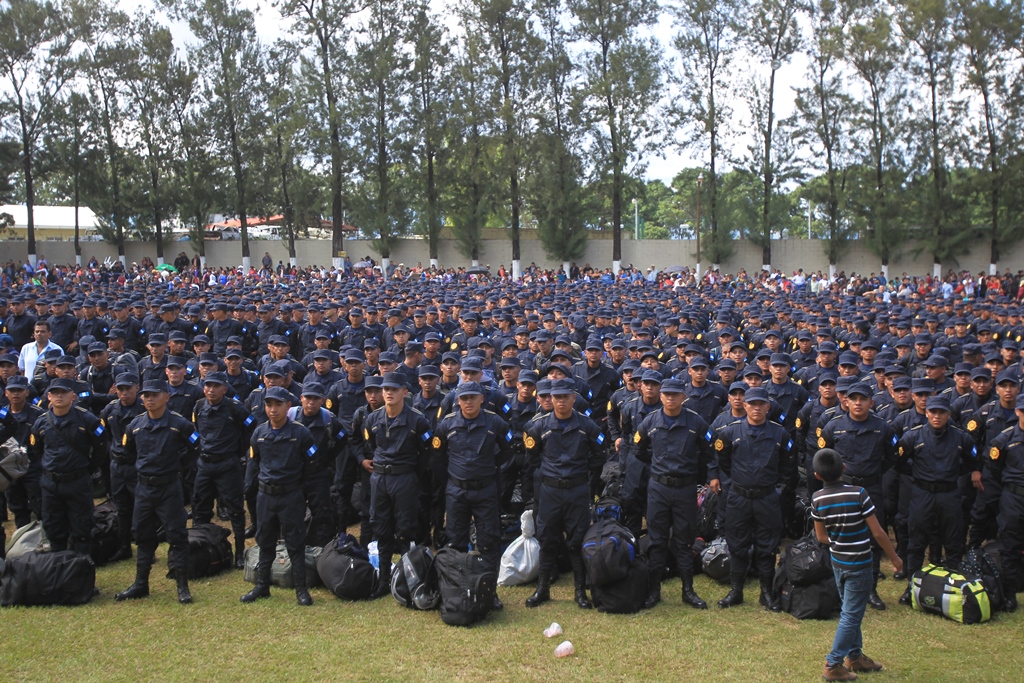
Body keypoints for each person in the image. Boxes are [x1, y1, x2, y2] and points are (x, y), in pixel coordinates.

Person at [811, 447, 903, 682]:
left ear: (817, 475)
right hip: (860, 563)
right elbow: (878, 532)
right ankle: (833, 664)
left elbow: (821, 536)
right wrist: (894, 557)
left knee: (849, 609)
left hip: (838, 562)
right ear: (844, 468)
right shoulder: (859, 493)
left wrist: (839, 541)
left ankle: (855, 656)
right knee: (851, 615)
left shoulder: (817, 498)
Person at [524, 378, 607, 609]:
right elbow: (532, 458)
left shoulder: (587, 425)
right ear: (551, 399)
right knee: (547, 539)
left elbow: (599, 455)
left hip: (577, 491)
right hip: (550, 491)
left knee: (576, 540)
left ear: (573, 398)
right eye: (557, 397)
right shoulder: (539, 426)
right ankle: (542, 589)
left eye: (565, 397)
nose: (561, 401)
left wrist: (582, 477)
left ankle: (580, 592)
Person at [710, 386, 794, 611]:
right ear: (745, 405)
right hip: (739, 497)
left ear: (768, 407)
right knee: (737, 544)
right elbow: (723, 461)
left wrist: (776, 489)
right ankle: (736, 591)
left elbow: (788, 466)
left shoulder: (780, 434)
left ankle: (766, 593)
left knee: (767, 546)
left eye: (761, 404)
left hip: (767, 498)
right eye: (752, 404)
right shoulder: (730, 432)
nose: (756, 408)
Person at [633, 377, 715, 609]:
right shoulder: (650, 421)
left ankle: (688, 590)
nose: (670, 398)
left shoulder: (696, 422)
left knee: (684, 540)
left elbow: (708, 452)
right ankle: (654, 590)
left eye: (675, 394)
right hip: (659, 488)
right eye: (667, 394)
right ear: (661, 397)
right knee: (657, 540)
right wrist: (658, 466)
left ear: (683, 397)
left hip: (685, 488)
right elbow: (639, 449)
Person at [432, 381, 513, 609]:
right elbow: (437, 456)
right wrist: (452, 476)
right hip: (456, 491)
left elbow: (508, 451)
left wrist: (489, 467)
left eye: (472, 397)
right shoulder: (447, 424)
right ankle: (456, 591)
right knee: (456, 542)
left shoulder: (495, 422)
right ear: (458, 401)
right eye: (464, 398)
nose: (468, 402)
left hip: (485, 490)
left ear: (482, 399)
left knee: (489, 542)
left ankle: (489, 592)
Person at [241, 386, 319, 606]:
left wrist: (299, 488)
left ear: (288, 406)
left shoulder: (301, 433)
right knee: (265, 540)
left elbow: (311, 464)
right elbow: (255, 461)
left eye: (278, 404)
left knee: (295, 542)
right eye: (269, 405)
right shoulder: (259, 433)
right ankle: (262, 586)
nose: (273, 409)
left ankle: (301, 589)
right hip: (266, 496)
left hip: (290, 495)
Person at [362, 373, 433, 597]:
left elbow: (426, 453)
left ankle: (407, 581)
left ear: (405, 392)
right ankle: (383, 581)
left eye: (394, 389)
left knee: (405, 531)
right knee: (381, 530)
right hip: (380, 479)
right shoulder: (372, 419)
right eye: (386, 389)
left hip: (405, 479)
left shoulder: (418, 421)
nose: (389, 393)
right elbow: (370, 446)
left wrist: (409, 472)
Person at [29, 377, 106, 556]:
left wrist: (89, 467)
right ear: (49, 396)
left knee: (82, 528)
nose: (59, 396)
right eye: (55, 393)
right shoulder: (41, 422)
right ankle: (59, 567)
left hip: (77, 482)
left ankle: (81, 567)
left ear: (73, 396)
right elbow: (37, 450)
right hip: (51, 484)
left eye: (64, 393)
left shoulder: (87, 419)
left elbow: (101, 447)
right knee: (53, 528)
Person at [191, 371, 256, 568]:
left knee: (235, 509)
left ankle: (239, 552)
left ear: (224, 389)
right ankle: (200, 547)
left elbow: (252, 428)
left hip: (227, 464)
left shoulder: (235, 408)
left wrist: (238, 450)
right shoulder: (199, 406)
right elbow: (196, 430)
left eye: (216, 386)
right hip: (205, 464)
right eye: (208, 386)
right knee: (200, 506)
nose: (211, 390)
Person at [100, 372, 146, 562]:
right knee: (121, 508)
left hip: (138, 465)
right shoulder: (110, 409)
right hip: (117, 466)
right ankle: (124, 546)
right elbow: (103, 434)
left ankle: (145, 547)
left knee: (142, 509)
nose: (124, 393)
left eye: (128, 388)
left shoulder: (144, 409)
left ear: (137, 388)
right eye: (120, 389)